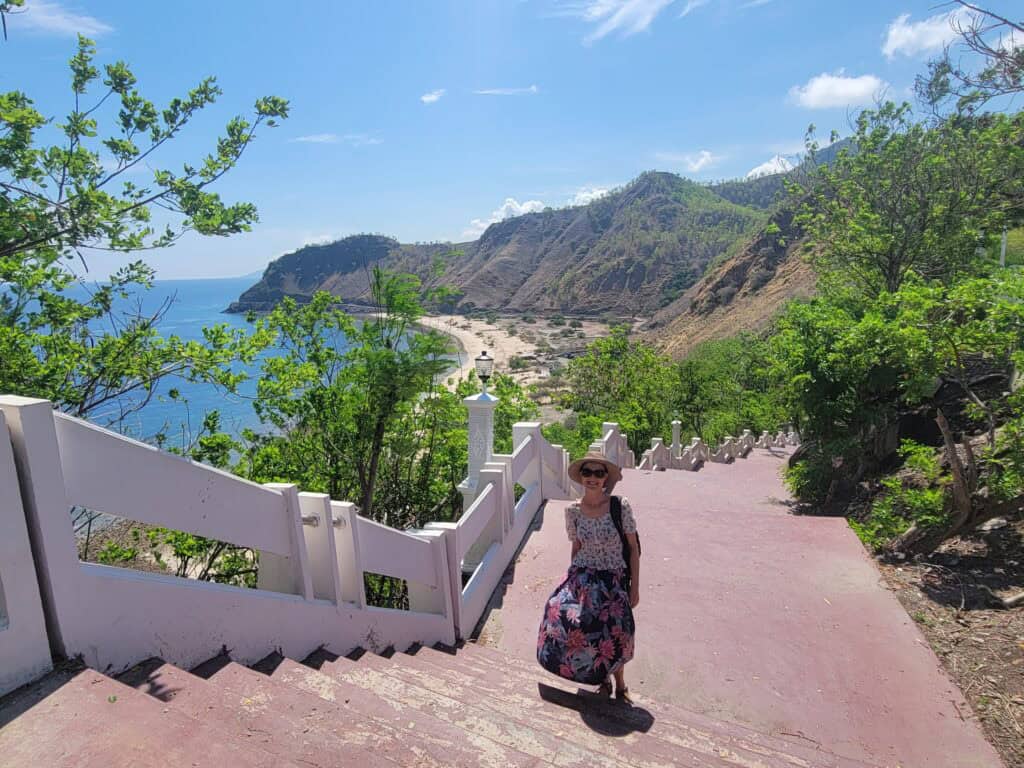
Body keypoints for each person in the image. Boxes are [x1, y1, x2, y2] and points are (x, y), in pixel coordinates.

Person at [536, 452, 639, 702]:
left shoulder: (619, 506)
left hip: (611, 580)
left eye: (598, 473)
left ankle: (621, 685)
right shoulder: (573, 511)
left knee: (614, 635)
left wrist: (634, 587)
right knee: (576, 626)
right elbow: (577, 546)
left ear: (606, 478)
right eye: (587, 472)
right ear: (581, 477)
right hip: (582, 576)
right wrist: (571, 580)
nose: (592, 478)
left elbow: (633, 548)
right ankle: (599, 679)